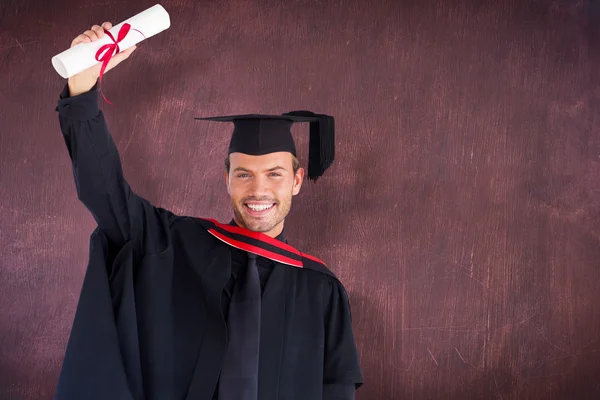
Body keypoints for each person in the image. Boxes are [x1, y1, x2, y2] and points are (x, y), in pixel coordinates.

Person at [53, 21, 363, 400]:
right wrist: (82, 88)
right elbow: (104, 190)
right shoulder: (171, 245)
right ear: (226, 179)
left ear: (296, 181)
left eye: (275, 174)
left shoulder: (322, 291)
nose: (259, 189)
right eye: (244, 173)